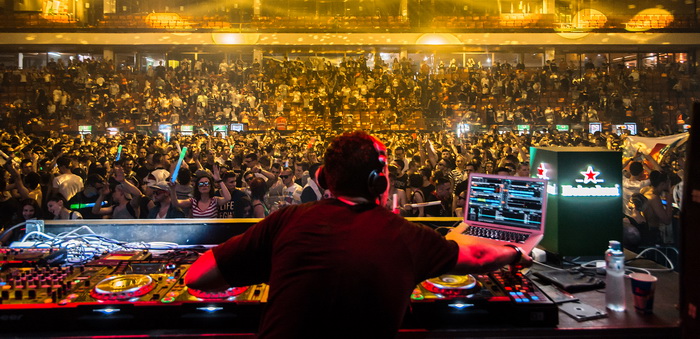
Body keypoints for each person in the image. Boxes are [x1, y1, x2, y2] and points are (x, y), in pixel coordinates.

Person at [185, 131, 530, 337]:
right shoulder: (405, 235)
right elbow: (480, 256)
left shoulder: (286, 221)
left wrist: (272, 267)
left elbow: (197, 276)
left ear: (324, 178)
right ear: (378, 182)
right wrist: (517, 252)